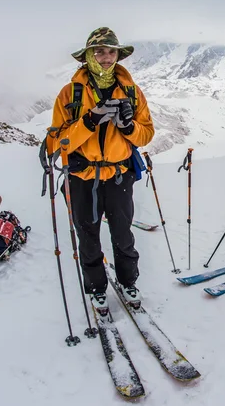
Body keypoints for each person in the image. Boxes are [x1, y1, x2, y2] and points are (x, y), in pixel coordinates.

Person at [50, 27, 155, 313]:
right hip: (82, 178)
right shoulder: (70, 93)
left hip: (118, 175)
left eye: (111, 51)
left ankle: (127, 281)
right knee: (88, 237)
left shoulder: (132, 92)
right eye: (99, 51)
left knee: (123, 235)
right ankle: (96, 288)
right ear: (87, 56)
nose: (106, 57)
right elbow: (57, 142)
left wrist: (128, 126)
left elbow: (146, 135)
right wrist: (90, 121)